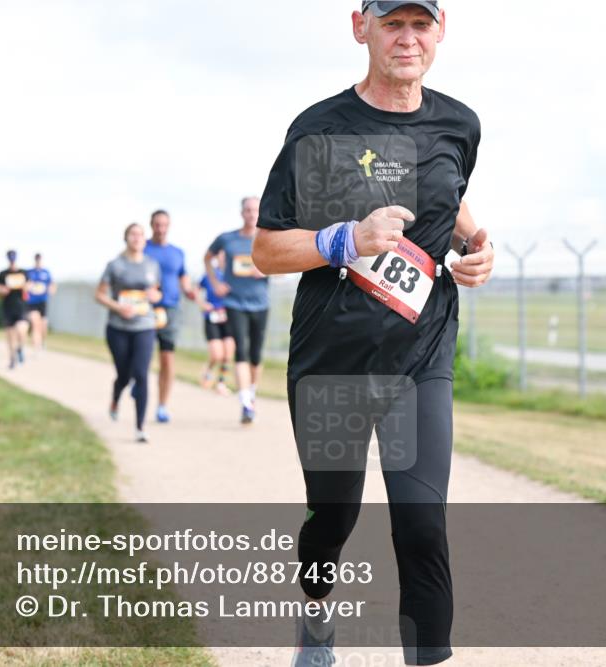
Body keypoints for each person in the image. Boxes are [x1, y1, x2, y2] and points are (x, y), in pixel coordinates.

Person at [251, 2, 494, 665]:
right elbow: (267, 251)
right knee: (332, 518)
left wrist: (477, 241)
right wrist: (346, 239)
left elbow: (450, 195)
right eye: (393, 23)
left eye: (421, 24)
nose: (407, 38)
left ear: (441, 32)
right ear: (361, 26)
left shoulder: (460, 124)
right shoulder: (319, 129)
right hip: (332, 361)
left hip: (422, 356)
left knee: (422, 525)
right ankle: (317, 619)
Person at [205, 197, 271, 424]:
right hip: (234, 302)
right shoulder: (227, 239)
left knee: (255, 354)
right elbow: (208, 257)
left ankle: (251, 393)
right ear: (242, 213)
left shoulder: (267, 238)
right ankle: (244, 402)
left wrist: (266, 271)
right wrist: (215, 283)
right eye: (248, 210)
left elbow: (283, 265)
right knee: (240, 350)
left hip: (260, 303)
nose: (252, 214)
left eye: (255, 210)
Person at [95, 223, 162, 443]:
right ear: (126, 238)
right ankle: (116, 397)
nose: (137, 238)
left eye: (141, 235)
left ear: (145, 239)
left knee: (141, 375)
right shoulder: (115, 265)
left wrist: (155, 297)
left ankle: (140, 427)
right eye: (133, 234)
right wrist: (118, 307)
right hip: (118, 328)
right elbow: (100, 295)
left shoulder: (152, 265)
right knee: (124, 375)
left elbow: (156, 293)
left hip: (144, 326)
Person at [144, 210, 197, 423]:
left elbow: (183, 277)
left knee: (167, 359)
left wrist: (190, 291)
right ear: (151, 225)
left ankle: (162, 406)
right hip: (145, 310)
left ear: (169, 226)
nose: (160, 229)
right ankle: (137, 384)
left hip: (171, 310)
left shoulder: (177, 253)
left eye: (164, 224)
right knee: (142, 357)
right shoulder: (143, 248)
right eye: (157, 224)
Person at [198, 254, 235, 395]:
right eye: (221, 256)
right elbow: (197, 289)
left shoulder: (233, 275)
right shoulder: (210, 275)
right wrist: (202, 304)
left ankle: (221, 383)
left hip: (229, 317)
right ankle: (208, 370)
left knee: (228, 355)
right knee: (217, 355)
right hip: (212, 316)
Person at [0, 250, 30, 369]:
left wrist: (25, 286)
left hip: (21, 307)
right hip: (8, 308)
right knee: (10, 335)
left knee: (21, 331)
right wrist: (2, 290)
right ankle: (12, 359)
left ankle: (20, 348)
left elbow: (30, 285)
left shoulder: (23, 272)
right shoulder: (3, 274)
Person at [25, 253, 57, 352]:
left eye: (39, 259)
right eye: (36, 259)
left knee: (43, 325)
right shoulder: (29, 272)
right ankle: (36, 348)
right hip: (31, 301)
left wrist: (51, 290)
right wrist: (27, 287)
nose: (38, 261)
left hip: (42, 301)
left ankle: (42, 342)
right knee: (35, 323)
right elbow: (24, 285)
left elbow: (52, 285)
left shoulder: (46, 272)